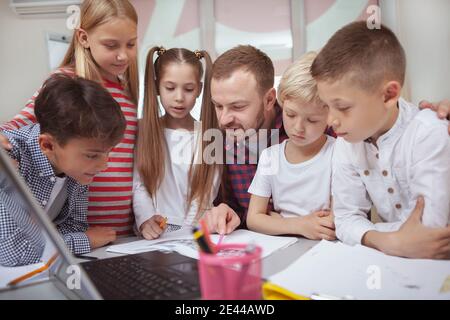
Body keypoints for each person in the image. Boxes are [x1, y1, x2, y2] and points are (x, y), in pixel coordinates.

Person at [311, 21, 450, 259]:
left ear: (389, 94)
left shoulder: (429, 132)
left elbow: (430, 231)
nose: (330, 121)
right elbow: (343, 219)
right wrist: (391, 242)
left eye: (342, 107)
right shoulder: (346, 142)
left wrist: (370, 235)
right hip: (397, 261)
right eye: (326, 106)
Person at [0, 0, 139, 237]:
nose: (122, 55)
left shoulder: (128, 91)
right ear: (83, 38)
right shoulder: (66, 82)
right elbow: (13, 128)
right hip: (77, 224)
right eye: (111, 45)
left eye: (131, 44)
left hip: (121, 225)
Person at [0, 74, 126, 266]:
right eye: (92, 155)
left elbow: (74, 226)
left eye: (108, 153)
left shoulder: (77, 169)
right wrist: (85, 241)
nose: (104, 165)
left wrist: (63, 238)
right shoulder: (9, 160)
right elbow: (15, 252)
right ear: (48, 145)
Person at [246, 52, 336, 240]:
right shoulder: (270, 157)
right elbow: (253, 219)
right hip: (282, 245)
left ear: (330, 116)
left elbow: (335, 222)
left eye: (312, 120)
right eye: (291, 114)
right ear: (281, 103)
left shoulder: (338, 154)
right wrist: (300, 225)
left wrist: (276, 222)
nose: (298, 128)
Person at [133, 47, 220, 239]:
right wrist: (146, 220)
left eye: (188, 89)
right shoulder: (145, 131)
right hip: (153, 232)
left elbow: (205, 194)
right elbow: (140, 185)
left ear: (199, 89)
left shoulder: (211, 136)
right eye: (170, 88)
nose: (179, 97)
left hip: (196, 231)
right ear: (156, 86)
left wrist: (186, 231)